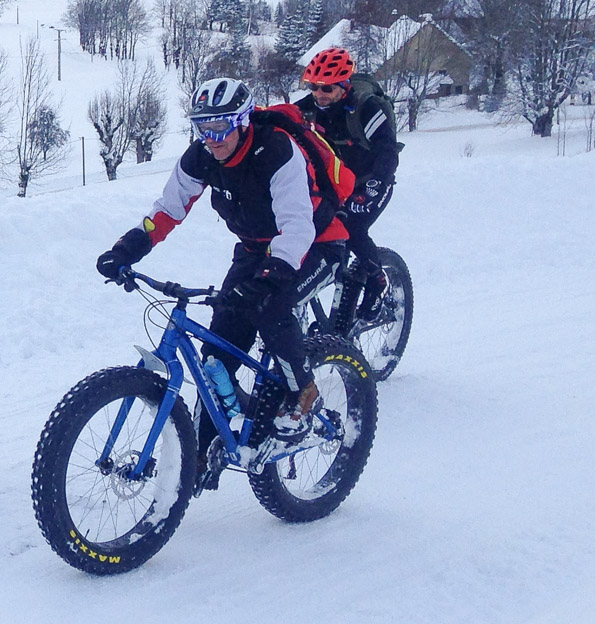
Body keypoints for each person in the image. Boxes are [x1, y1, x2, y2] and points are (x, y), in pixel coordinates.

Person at [94, 77, 350, 463]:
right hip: (254, 250)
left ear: (243, 121)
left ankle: (302, 394)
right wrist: (128, 248)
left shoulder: (276, 151)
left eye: (220, 126)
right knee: (216, 353)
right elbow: (167, 209)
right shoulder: (200, 157)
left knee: (270, 308)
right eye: (203, 127)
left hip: (315, 243)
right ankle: (203, 456)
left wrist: (272, 277)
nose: (211, 138)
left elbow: (298, 226)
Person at [295, 47, 398, 322]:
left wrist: (372, 189)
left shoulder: (368, 108)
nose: (318, 94)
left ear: (344, 86)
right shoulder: (309, 107)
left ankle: (377, 279)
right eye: (314, 87)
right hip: (337, 184)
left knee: (351, 226)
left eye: (326, 89)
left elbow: (388, 152)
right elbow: (280, 121)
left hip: (371, 180)